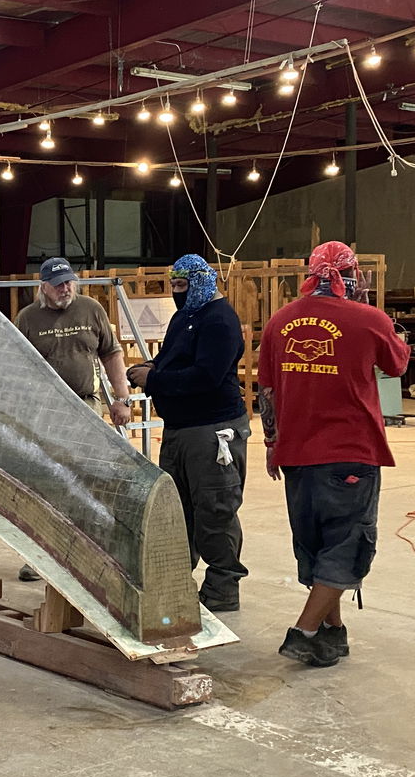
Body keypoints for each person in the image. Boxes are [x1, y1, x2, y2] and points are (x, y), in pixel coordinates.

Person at [257, 241, 410, 668]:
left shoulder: (280, 321)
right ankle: (304, 632)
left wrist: (272, 444)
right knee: (347, 544)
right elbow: (397, 365)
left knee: (317, 543)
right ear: (354, 274)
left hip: (296, 454)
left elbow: (266, 390)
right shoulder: (369, 319)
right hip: (350, 452)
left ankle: (331, 633)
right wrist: (389, 329)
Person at [125, 253, 249, 612]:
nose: (177, 292)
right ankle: (177, 580)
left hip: (211, 430)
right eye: (174, 286)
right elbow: (173, 358)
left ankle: (223, 587)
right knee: (178, 511)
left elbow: (206, 376)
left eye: (182, 285)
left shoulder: (219, 321)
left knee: (214, 509)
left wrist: (155, 380)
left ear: (201, 283)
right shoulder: (185, 316)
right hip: (179, 429)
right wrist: (151, 367)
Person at [15, 256, 132, 581]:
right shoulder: (27, 318)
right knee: (46, 481)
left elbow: (111, 353)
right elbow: (16, 367)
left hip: (86, 406)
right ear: (44, 287)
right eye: (58, 284)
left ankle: (85, 553)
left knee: (86, 479)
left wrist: (121, 399)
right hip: (45, 413)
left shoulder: (91, 309)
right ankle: (40, 555)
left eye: (69, 282)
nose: (65, 288)